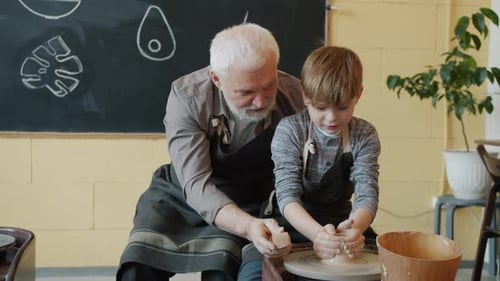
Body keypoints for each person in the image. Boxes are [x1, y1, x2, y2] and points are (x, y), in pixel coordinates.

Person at [116, 23, 304, 281]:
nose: (261, 101)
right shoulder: (188, 97)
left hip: (254, 197)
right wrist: (248, 227)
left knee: (222, 269)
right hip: (184, 192)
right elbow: (195, 184)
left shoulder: (296, 96)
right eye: (246, 92)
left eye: (268, 86)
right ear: (217, 79)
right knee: (138, 266)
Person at [270, 46, 380, 260]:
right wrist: (317, 235)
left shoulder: (364, 134)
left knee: (387, 266)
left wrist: (354, 230)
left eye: (342, 107)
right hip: (293, 221)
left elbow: (367, 192)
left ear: (358, 95)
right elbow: (287, 194)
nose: (331, 118)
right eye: (321, 107)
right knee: (258, 271)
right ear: (305, 95)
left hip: (343, 220)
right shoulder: (290, 130)